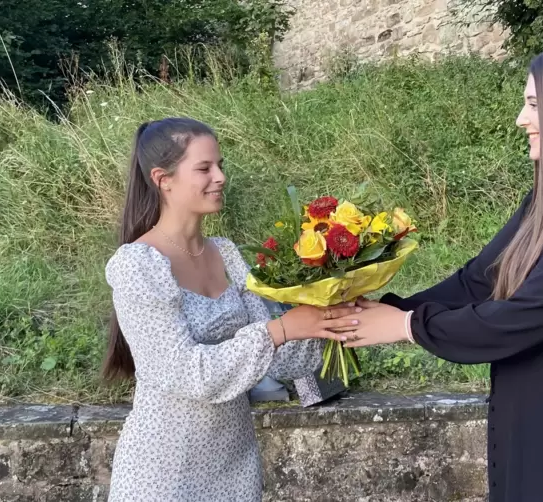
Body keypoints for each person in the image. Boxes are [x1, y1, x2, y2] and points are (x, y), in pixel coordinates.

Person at [341, 43, 543, 501]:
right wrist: (379, 310)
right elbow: (481, 279)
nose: (521, 119)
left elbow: (528, 314)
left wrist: (406, 326)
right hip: (533, 424)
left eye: (534, 105)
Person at [101, 117, 360, 502]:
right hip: (163, 472)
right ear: (163, 179)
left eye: (220, 165)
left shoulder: (225, 253)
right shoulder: (137, 265)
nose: (220, 177)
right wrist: (281, 330)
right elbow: (189, 374)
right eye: (204, 168)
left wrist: (322, 314)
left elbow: (283, 364)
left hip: (234, 464)